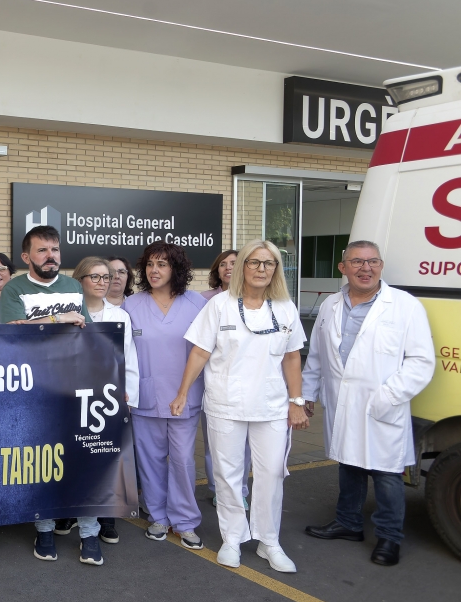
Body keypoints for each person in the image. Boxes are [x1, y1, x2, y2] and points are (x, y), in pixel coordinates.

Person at [170, 240, 306, 572]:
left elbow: (291, 358)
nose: (262, 269)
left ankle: (268, 541)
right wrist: (183, 392)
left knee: (271, 473)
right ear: (242, 266)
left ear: (276, 269)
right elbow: (200, 351)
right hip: (225, 403)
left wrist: (296, 401)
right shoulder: (220, 306)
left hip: (272, 406)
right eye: (255, 263)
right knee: (228, 474)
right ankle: (232, 538)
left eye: (270, 263)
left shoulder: (286, 308)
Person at [302, 241, 435, 567]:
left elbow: (421, 361)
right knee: (348, 465)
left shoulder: (404, 306)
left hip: (382, 403)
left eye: (372, 261)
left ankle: (390, 537)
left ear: (381, 265)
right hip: (343, 401)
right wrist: (307, 393)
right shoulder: (331, 304)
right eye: (357, 262)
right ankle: (348, 523)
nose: (366, 268)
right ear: (342, 267)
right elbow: (318, 355)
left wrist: (389, 396)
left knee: (387, 474)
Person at [0, 226, 90, 561]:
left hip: (74, 384)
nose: (50, 256)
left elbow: (86, 332)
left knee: (82, 459)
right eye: (42, 250)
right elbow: (13, 335)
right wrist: (56, 319)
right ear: (26, 257)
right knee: (42, 462)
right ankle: (45, 530)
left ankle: (88, 533)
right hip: (34, 390)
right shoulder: (14, 289)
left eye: (55, 249)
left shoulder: (74, 286)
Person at [122, 241, 207, 550]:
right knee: (150, 461)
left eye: (162, 264)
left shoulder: (197, 303)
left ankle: (185, 521)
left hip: (185, 396)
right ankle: (158, 516)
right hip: (145, 396)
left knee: (183, 460)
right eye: (150, 265)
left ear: (176, 269)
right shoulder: (131, 305)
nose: (154, 270)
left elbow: (208, 349)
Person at [73, 255, 140, 549]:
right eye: (95, 277)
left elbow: (130, 361)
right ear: (80, 281)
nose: (102, 283)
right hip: (73, 397)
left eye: (106, 278)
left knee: (107, 458)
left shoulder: (120, 316)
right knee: (76, 457)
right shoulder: (68, 313)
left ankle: (107, 518)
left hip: (109, 400)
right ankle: (70, 513)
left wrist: (129, 397)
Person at [199, 249, 248, 508]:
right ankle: (218, 487)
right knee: (215, 441)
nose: (228, 268)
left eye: (234, 263)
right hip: (215, 381)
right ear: (216, 271)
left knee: (245, 444)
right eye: (223, 264)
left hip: (248, 382)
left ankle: (240, 489)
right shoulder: (205, 300)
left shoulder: (256, 298)